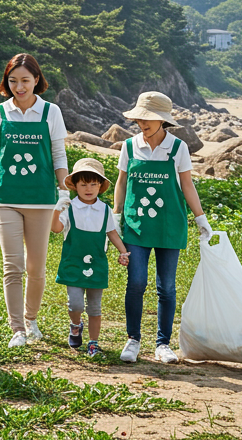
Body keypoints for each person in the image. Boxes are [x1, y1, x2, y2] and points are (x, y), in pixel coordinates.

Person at [0, 53, 70, 348]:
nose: (19, 87)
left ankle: (31, 320)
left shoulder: (50, 112)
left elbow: (58, 154)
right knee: (12, 265)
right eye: (13, 81)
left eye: (25, 80)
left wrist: (64, 191)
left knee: (36, 268)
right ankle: (17, 328)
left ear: (36, 80)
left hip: (41, 199)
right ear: (7, 82)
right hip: (6, 197)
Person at [112, 91, 211, 364]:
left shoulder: (178, 148)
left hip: (170, 225)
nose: (142, 123)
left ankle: (163, 344)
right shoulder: (129, 147)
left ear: (162, 120)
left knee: (166, 287)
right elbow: (121, 183)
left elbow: (187, 185)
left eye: (149, 119)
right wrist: (116, 215)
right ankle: (133, 339)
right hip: (136, 225)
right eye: (139, 118)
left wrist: (200, 218)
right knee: (136, 282)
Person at [51, 158, 130, 357]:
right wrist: (56, 210)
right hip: (73, 263)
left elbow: (111, 232)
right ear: (75, 186)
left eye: (93, 184)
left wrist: (123, 251)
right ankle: (75, 325)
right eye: (83, 184)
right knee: (75, 303)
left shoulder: (104, 209)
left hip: (97, 265)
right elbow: (56, 229)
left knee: (95, 306)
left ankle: (93, 343)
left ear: (100, 186)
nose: (88, 189)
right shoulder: (69, 207)